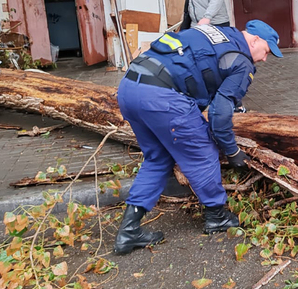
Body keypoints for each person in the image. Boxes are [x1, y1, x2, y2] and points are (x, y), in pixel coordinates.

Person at [113, 20, 283, 255]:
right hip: (161, 97)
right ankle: (217, 216)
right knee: (202, 151)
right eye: (266, 52)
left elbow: (202, 70)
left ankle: (129, 231)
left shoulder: (220, 33)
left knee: (158, 158)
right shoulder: (242, 62)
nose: (264, 59)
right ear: (254, 41)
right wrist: (233, 152)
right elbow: (218, 117)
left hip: (130, 87)